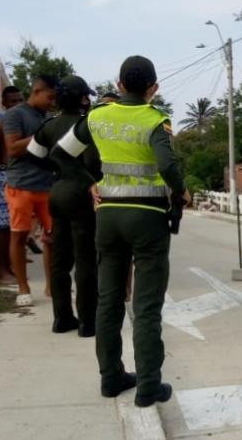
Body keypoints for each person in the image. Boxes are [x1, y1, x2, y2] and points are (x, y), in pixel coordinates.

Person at [59, 55, 188, 407]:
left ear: (118, 85)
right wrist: (181, 191)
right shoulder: (155, 119)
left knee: (108, 301)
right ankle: (149, 386)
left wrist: (91, 183)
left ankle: (111, 378)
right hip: (147, 219)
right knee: (146, 306)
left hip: (108, 217)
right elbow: (166, 164)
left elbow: (61, 153)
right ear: (153, 88)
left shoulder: (97, 117)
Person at [28, 75, 101, 336]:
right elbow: (92, 162)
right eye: (86, 96)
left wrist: (57, 167)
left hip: (56, 192)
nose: (89, 100)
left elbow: (33, 155)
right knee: (85, 260)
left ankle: (61, 318)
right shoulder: (86, 125)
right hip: (82, 193)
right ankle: (88, 321)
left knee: (60, 260)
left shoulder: (49, 125)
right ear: (81, 98)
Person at [2, 75, 59, 307]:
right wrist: (41, 135)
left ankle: (51, 286)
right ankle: (23, 288)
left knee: (52, 238)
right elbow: (13, 148)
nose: (52, 102)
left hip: (47, 186)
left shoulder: (47, 117)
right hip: (21, 186)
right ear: (36, 91)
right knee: (19, 236)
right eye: (50, 97)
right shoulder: (15, 115)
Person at [0, 87, 22, 284]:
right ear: (4, 103)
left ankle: (9, 265)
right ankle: (2, 271)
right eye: (12, 101)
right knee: (4, 225)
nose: (17, 104)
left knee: (15, 225)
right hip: (3, 176)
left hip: (17, 176)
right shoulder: (1, 122)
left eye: (20, 100)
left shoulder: (18, 121)